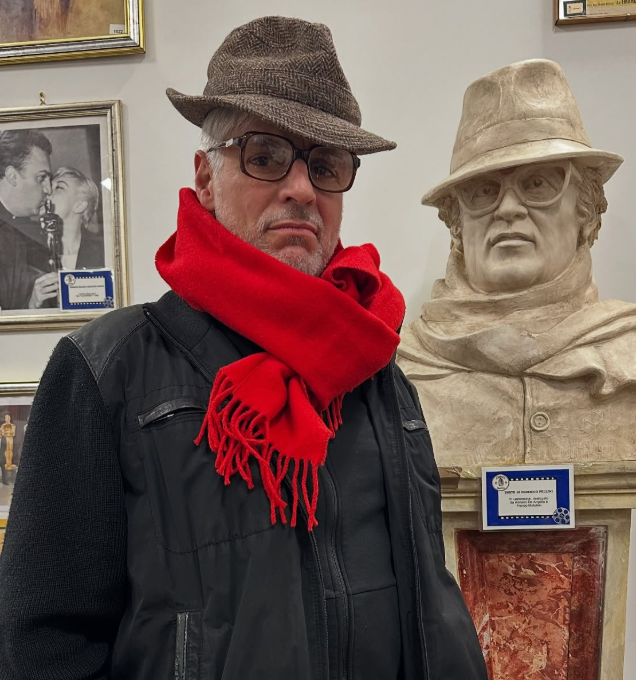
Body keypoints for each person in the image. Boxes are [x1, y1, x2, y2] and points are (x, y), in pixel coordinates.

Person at [0, 17, 486, 680]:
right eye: (264, 155)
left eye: (325, 165)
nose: (301, 189)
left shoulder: (375, 370)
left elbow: (429, 602)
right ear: (206, 177)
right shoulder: (108, 370)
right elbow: (46, 643)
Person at [398, 59, 635, 468]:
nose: (508, 208)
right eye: (484, 190)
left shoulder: (627, 350)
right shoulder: (397, 369)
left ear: (585, 210)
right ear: (456, 223)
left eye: (538, 183)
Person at [0, 129, 59, 310]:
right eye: (41, 178)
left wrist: (32, 304)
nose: (48, 190)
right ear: (12, 176)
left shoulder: (23, 232)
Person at [49, 166, 104, 269]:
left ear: (79, 206)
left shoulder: (103, 251)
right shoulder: (30, 248)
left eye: (59, 187)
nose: (47, 192)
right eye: (49, 187)